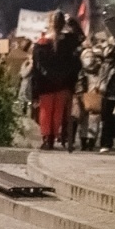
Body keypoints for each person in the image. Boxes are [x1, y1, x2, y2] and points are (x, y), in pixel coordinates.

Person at [31, 12, 82, 150]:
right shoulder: (69, 41)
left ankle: (47, 138)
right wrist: (72, 22)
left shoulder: (41, 44)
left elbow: (36, 67)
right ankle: (53, 137)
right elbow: (81, 38)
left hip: (45, 83)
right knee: (58, 112)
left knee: (46, 111)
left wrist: (34, 88)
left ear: (50, 23)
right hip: (63, 83)